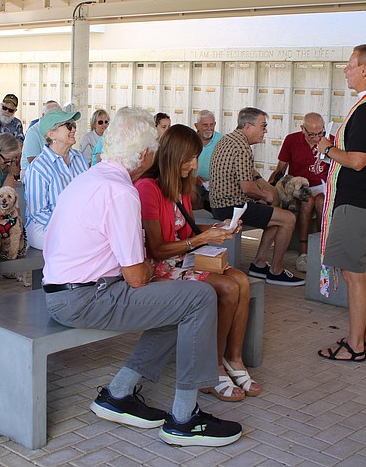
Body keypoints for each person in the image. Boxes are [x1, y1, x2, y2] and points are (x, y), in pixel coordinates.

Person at [42, 107, 242, 447]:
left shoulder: (91, 177)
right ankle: (184, 418)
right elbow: (137, 276)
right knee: (199, 297)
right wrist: (150, 266)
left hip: (67, 292)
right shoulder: (122, 192)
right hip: (86, 297)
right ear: (145, 154)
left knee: (175, 303)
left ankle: (118, 394)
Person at [135, 124, 260, 402]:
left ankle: (233, 359)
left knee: (240, 280)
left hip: (181, 259)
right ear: (173, 155)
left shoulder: (179, 186)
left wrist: (217, 229)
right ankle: (211, 368)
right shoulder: (147, 188)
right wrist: (202, 240)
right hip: (159, 267)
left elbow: (187, 231)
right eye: (190, 158)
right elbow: (157, 249)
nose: (194, 165)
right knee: (228, 288)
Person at [316, 44, 366, 362]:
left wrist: (326, 148)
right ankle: (365, 336)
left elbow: (358, 160)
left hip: (359, 206)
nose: (346, 70)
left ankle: (354, 346)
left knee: (354, 276)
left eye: (350, 65)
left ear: (365, 69)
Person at [210, 107, 301, 286]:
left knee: (275, 216)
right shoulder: (243, 147)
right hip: (232, 208)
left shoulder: (227, 139)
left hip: (219, 204)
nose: (265, 130)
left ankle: (259, 264)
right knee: (288, 218)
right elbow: (247, 187)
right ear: (248, 127)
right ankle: (276, 271)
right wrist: (265, 195)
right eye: (263, 126)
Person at [268, 112, 330, 272]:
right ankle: (303, 253)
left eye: (320, 133)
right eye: (312, 134)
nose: (317, 138)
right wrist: (271, 186)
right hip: (300, 185)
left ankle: (320, 248)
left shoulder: (330, 140)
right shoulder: (292, 140)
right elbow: (280, 168)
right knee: (307, 200)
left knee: (320, 201)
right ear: (303, 129)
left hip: (323, 186)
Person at [24, 110, 88, 250]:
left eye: (74, 125)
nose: (74, 129)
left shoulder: (80, 158)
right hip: (43, 226)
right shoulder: (38, 167)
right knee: (76, 244)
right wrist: (69, 224)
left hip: (77, 222)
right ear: (51, 134)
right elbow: (38, 212)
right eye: (68, 125)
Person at [20, 100, 61, 174]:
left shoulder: (60, 129)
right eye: (52, 116)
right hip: (32, 172)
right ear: (43, 115)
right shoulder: (33, 132)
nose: (55, 119)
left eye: (58, 116)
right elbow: (33, 161)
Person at [193, 110, 222, 211]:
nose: (209, 129)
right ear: (196, 126)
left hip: (216, 186)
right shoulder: (190, 139)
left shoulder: (222, 140)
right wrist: (193, 179)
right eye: (205, 125)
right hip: (193, 183)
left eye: (212, 125)